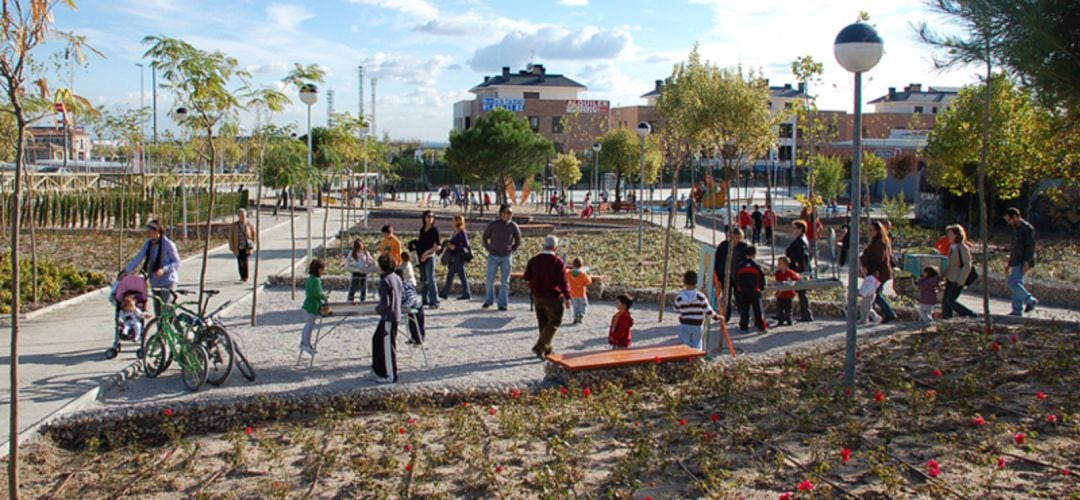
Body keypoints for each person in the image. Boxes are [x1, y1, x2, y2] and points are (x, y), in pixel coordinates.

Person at [524, 235, 572, 359]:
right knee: (555, 321)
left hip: (537, 295)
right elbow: (563, 281)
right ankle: (540, 347)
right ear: (555, 248)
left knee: (543, 323)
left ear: (543, 246)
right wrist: (567, 297)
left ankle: (547, 350)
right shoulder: (557, 262)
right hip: (552, 296)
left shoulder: (534, 260)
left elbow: (527, 277)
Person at [124, 220, 181, 318]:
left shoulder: (168, 244)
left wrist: (164, 269)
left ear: (157, 231)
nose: (148, 233)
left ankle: (173, 330)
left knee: (166, 309)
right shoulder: (149, 244)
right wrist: (126, 271)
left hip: (168, 281)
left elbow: (177, 262)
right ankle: (161, 332)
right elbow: (139, 257)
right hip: (155, 281)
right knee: (158, 312)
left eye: (150, 231)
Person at [482, 204, 522, 311]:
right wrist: (489, 249)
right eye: (508, 212)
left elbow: (518, 241)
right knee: (490, 280)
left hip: (506, 257)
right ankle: (489, 300)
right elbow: (485, 238)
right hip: (493, 256)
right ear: (502, 214)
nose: (511, 215)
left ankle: (502, 304)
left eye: (511, 213)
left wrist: (512, 251)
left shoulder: (513, 226)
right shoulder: (493, 225)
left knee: (505, 282)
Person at [373, 254, 403, 383]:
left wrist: (378, 309)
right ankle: (379, 369)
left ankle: (391, 375)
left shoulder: (385, 280)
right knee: (377, 339)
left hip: (388, 316)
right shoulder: (396, 277)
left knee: (387, 346)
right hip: (394, 314)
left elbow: (386, 302)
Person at [860, 220, 897, 323]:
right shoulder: (876, 241)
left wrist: (870, 266)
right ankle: (875, 316)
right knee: (874, 294)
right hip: (878, 273)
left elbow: (879, 258)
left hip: (879, 273)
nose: (870, 232)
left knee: (876, 295)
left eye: (872, 230)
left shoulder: (879, 243)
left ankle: (889, 314)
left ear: (877, 231)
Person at [673, 270, 721, 350]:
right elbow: (708, 310)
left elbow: (675, 308)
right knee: (697, 344)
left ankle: (685, 359)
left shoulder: (680, 297)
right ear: (696, 283)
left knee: (684, 345)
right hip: (697, 325)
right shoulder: (700, 296)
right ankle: (696, 359)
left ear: (684, 282)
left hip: (684, 323)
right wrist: (716, 316)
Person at [1004, 207, 1038, 316]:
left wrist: (1027, 262)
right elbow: (1015, 247)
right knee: (1017, 283)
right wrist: (1009, 263)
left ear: (1015, 217)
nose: (1008, 222)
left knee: (1013, 283)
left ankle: (1030, 301)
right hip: (1016, 260)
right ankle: (1017, 310)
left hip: (1023, 260)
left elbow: (1030, 247)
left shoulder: (1027, 228)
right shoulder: (1016, 228)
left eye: (1009, 219)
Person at [942, 224, 978, 319]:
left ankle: (971, 314)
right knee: (945, 302)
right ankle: (947, 319)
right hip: (951, 278)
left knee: (950, 300)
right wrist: (941, 276)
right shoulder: (952, 247)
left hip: (958, 279)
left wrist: (960, 281)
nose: (948, 236)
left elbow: (967, 265)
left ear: (957, 235)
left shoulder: (962, 247)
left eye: (950, 234)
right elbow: (951, 265)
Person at [714, 228, 749, 323]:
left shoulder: (744, 247)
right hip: (725, 275)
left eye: (739, 237)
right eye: (734, 237)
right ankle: (725, 316)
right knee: (726, 297)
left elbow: (747, 260)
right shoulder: (724, 246)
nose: (736, 240)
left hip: (738, 276)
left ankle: (743, 316)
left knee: (740, 297)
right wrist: (716, 276)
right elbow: (717, 260)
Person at [785, 220, 814, 322]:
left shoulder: (800, 241)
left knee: (795, 292)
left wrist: (798, 271)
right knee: (800, 293)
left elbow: (801, 258)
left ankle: (790, 314)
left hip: (798, 271)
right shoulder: (802, 240)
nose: (793, 230)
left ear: (800, 229)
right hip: (801, 271)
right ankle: (804, 314)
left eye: (794, 228)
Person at [735, 245, 767, 333]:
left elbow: (736, 277)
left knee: (744, 310)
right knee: (758, 310)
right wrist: (762, 287)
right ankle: (761, 327)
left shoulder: (740, 266)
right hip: (755, 291)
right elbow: (762, 278)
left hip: (744, 291)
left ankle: (743, 327)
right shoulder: (757, 266)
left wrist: (739, 288)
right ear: (755, 254)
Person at [299, 258, 328, 355]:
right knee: (309, 325)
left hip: (307, 304)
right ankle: (306, 344)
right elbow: (317, 293)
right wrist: (325, 296)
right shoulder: (316, 280)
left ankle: (304, 343)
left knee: (308, 325)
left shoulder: (310, 278)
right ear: (319, 270)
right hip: (312, 306)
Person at [440, 215, 472, 300]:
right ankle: (466, 292)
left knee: (451, 274)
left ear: (458, 221)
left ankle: (445, 292)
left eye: (453, 220)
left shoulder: (462, 232)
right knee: (462, 275)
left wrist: (455, 247)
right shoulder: (455, 232)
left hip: (460, 256)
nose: (452, 222)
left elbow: (466, 245)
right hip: (455, 255)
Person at [416, 210, 441, 309]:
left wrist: (427, 253)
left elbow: (438, 246)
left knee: (431, 279)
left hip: (430, 257)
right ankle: (424, 300)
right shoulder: (422, 229)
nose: (430, 218)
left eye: (432, 216)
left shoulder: (434, 230)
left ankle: (435, 301)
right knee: (423, 279)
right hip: (421, 257)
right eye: (428, 216)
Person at [398, 268, 425, 345]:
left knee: (418, 323)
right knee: (411, 324)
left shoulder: (406, 285)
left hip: (416, 306)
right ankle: (413, 338)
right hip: (410, 306)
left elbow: (411, 298)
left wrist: (404, 307)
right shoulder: (400, 286)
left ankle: (420, 339)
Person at [228, 208, 256, 283]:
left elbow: (254, 234)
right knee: (240, 262)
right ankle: (242, 276)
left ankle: (245, 276)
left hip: (246, 247)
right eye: (241, 215)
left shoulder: (249, 224)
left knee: (245, 261)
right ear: (238, 216)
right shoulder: (234, 225)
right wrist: (232, 247)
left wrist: (252, 244)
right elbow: (231, 237)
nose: (243, 217)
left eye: (244, 215)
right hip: (238, 247)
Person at [773, 256, 800, 327]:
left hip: (789, 294)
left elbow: (797, 278)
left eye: (780, 263)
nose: (778, 265)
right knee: (780, 308)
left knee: (788, 308)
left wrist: (792, 282)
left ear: (785, 264)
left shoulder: (790, 272)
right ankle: (780, 320)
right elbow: (777, 282)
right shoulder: (777, 273)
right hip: (780, 294)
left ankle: (789, 319)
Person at [345, 239, 374, 304]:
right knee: (354, 285)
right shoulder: (352, 252)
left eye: (361, 247)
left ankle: (363, 299)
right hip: (356, 270)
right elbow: (347, 261)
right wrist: (349, 267)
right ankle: (350, 298)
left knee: (363, 286)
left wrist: (369, 263)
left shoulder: (366, 252)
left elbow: (371, 260)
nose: (360, 249)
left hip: (364, 271)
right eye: (359, 248)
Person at [566, 258, 593, 325]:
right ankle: (581, 315)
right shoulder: (583, 273)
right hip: (581, 293)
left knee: (575, 307)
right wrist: (588, 275)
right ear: (581, 265)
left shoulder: (569, 273)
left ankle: (575, 318)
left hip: (572, 293)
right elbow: (588, 282)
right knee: (584, 305)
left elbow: (565, 273)